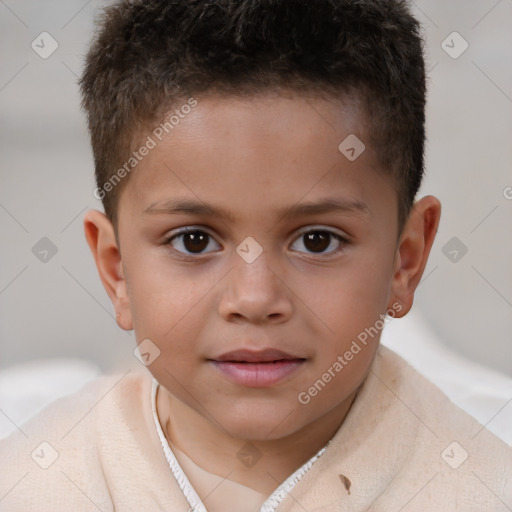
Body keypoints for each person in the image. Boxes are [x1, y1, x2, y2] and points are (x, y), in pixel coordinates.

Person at [1, 1, 510, 510]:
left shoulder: (481, 490)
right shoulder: (32, 486)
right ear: (117, 271)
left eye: (317, 240)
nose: (255, 298)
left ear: (405, 260)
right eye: (194, 241)